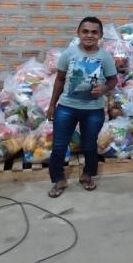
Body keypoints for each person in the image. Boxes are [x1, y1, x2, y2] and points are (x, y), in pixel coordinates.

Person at [46, 17, 117, 197]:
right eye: (85, 31)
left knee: (89, 145)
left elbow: (113, 80)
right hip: (66, 107)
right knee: (60, 146)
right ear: (78, 33)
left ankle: (87, 175)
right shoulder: (69, 54)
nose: (89, 35)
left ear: (100, 35)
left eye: (94, 32)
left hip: (93, 110)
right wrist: (52, 105)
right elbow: (60, 79)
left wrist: (105, 88)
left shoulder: (104, 57)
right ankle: (58, 179)